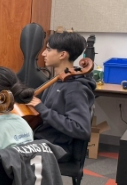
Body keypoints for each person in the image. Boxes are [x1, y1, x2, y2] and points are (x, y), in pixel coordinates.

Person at [28, 32, 96, 161]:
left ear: (62, 54)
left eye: (48, 49)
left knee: (5, 155)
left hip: (58, 147)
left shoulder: (75, 87)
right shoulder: (57, 80)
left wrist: (42, 109)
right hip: (43, 138)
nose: (43, 54)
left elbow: (81, 129)